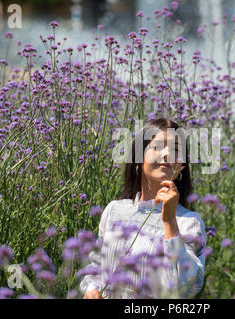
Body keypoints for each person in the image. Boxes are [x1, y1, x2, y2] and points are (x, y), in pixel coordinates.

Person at [80, 118, 206, 299]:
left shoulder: (189, 222)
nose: (167, 154)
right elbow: (97, 266)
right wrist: (91, 289)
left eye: (176, 150)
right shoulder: (114, 210)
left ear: (181, 167)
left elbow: (184, 288)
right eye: (157, 147)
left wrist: (170, 220)